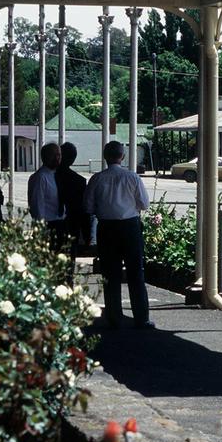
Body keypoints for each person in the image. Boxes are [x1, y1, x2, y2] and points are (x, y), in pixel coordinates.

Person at [84, 141, 154, 330]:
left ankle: (114, 317)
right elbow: (144, 204)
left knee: (110, 273)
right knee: (135, 272)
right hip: (130, 226)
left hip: (107, 228)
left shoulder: (97, 179)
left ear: (105, 157)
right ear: (122, 156)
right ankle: (141, 317)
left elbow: (88, 207)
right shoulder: (132, 177)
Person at [57, 142, 91, 273]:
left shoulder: (47, 176)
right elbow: (84, 210)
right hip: (72, 229)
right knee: (68, 270)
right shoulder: (79, 181)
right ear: (73, 159)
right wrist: (87, 236)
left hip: (48, 227)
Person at [27, 142, 66, 250]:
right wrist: (41, 228)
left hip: (60, 224)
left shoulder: (57, 175)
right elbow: (36, 204)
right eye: (53, 155)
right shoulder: (40, 177)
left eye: (59, 155)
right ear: (44, 157)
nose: (57, 158)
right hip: (48, 225)